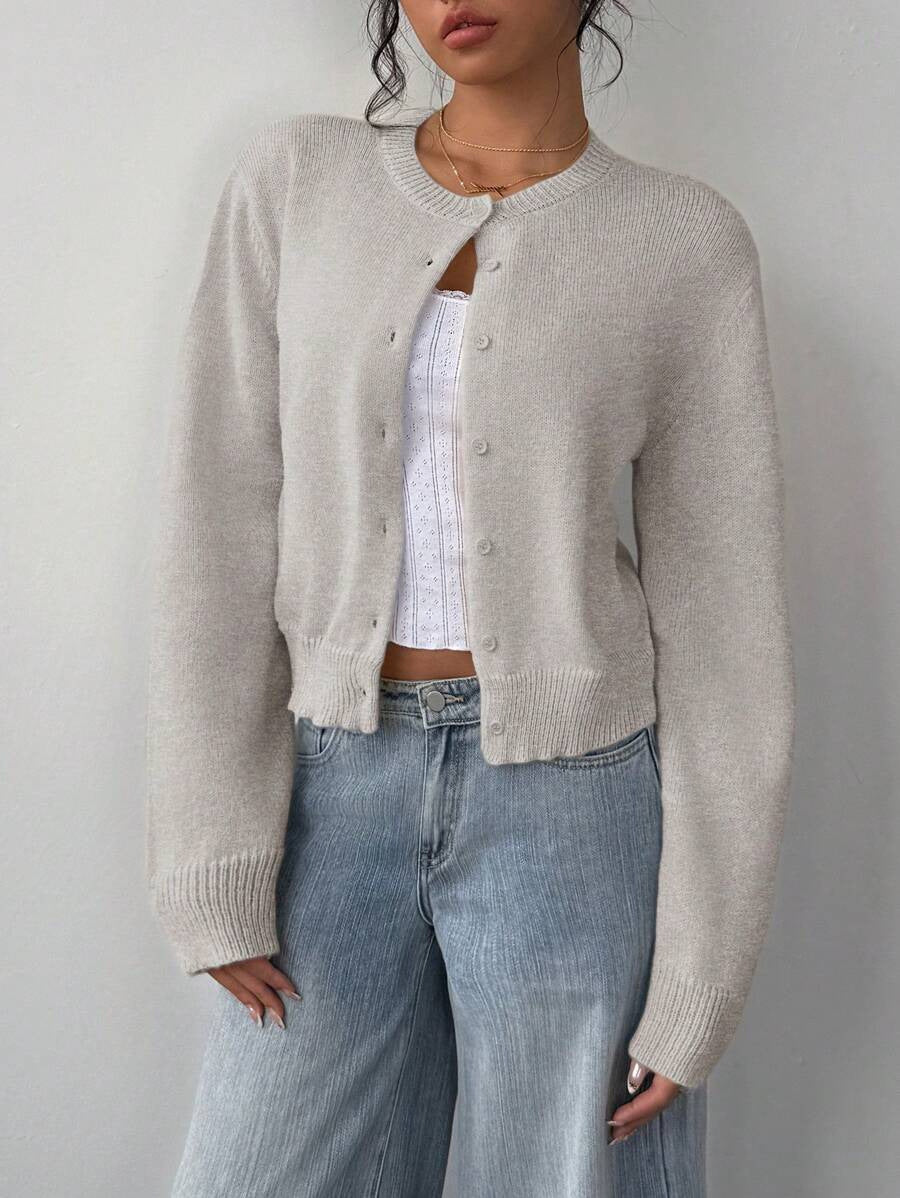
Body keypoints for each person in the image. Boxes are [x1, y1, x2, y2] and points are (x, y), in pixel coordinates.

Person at [145, 1, 796, 1194]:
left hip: (575, 808)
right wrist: (212, 852)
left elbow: (725, 628)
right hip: (327, 797)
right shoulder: (298, 183)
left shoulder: (682, 241)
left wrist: (701, 972)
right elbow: (216, 523)